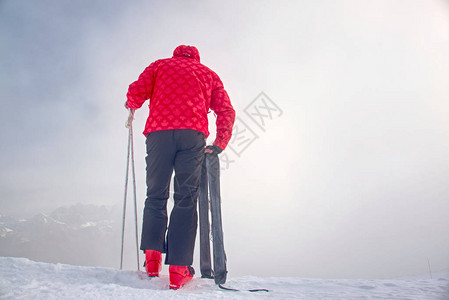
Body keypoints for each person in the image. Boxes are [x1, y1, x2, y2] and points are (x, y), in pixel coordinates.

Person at [125, 45, 235, 289]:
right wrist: (219, 143)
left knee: (155, 194)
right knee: (186, 197)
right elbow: (225, 110)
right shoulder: (208, 74)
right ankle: (178, 269)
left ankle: (152, 260)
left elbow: (136, 91)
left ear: (176, 55)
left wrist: (131, 104)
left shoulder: (159, 66)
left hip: (158, 134)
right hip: (191, 135)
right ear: (196, 57)